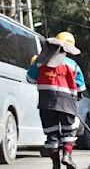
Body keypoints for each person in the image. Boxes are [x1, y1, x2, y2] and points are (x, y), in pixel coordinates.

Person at [26, 32, 86, 169]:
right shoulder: (73, 65)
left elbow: (29, 79)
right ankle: (67, 155)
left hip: (46, 103)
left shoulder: (41, 63)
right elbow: (81, 87)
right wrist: (77, 95)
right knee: (69, 130)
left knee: (51, 133)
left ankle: (55, 162)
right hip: (67, 103)